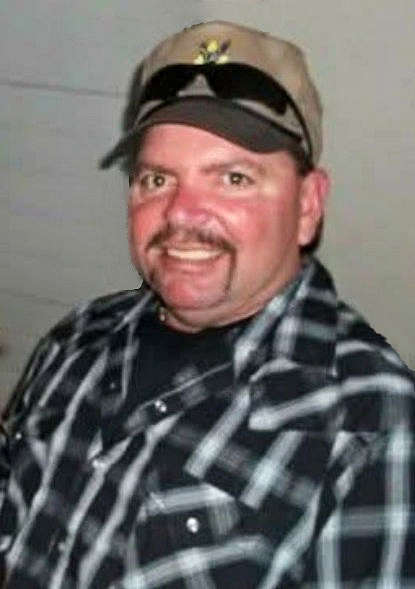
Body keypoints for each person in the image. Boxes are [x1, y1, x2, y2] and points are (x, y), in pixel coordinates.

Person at [0, 20, 414, 588]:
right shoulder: (79, 335)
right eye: (157, 179)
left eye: (233, 178)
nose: (180, 213)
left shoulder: (374, 421)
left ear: (308, 205)